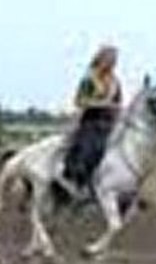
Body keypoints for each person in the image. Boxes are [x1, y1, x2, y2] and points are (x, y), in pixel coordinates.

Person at [53, 44, 123, 200]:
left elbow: (118, 102)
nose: (113, 63)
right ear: (101, 59)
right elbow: (79, 101)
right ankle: (78, 181)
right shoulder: (90, 79)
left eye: (115, 60)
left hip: (110, 123)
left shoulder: (115, 81)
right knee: (91, 149)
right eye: (110, 59)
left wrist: (119, 112)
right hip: (91, 122)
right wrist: (102, 104)